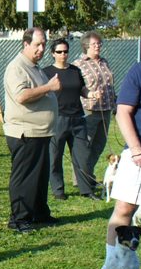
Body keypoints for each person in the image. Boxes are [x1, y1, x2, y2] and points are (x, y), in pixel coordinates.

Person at [3, 28, 60, 233]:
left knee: (39, 176)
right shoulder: (17, 67)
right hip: (25, 133)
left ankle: (38, 213)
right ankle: (19, 219)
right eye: (37, 44)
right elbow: (22, 96)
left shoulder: (34, 67)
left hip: (40, 132)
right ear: (25, 44)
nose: (41, 48)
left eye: (44, 44)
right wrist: (49, 87)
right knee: (25, 177)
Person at [95, 60, 141, 269]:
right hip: (139, 153)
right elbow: (123, 111)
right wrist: (136, 149)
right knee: (124, 209)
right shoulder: (139, 70)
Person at [42, 38, 100, 200]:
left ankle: (86, 189)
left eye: (65, 51)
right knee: (55, 156)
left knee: (82, 156)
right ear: (53, 53)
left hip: (78, 119)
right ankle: (58, 191)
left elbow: (82, 89)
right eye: (59, 52)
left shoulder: (75, 70)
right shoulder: (46, 72)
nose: (63, 55)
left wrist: (91, 94)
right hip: (58, 119)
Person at [72, 31, 116, 188]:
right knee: (86, 145)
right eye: (94, 44)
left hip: (106, 108)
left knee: (99, 145)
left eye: (99, 43)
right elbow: (77, 87)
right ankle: (80, 179)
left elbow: (110, 83)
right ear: (86, 46)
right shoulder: (79, 64)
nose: (98, 46)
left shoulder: (104, 62)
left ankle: (88, 175)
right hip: (89, 109)